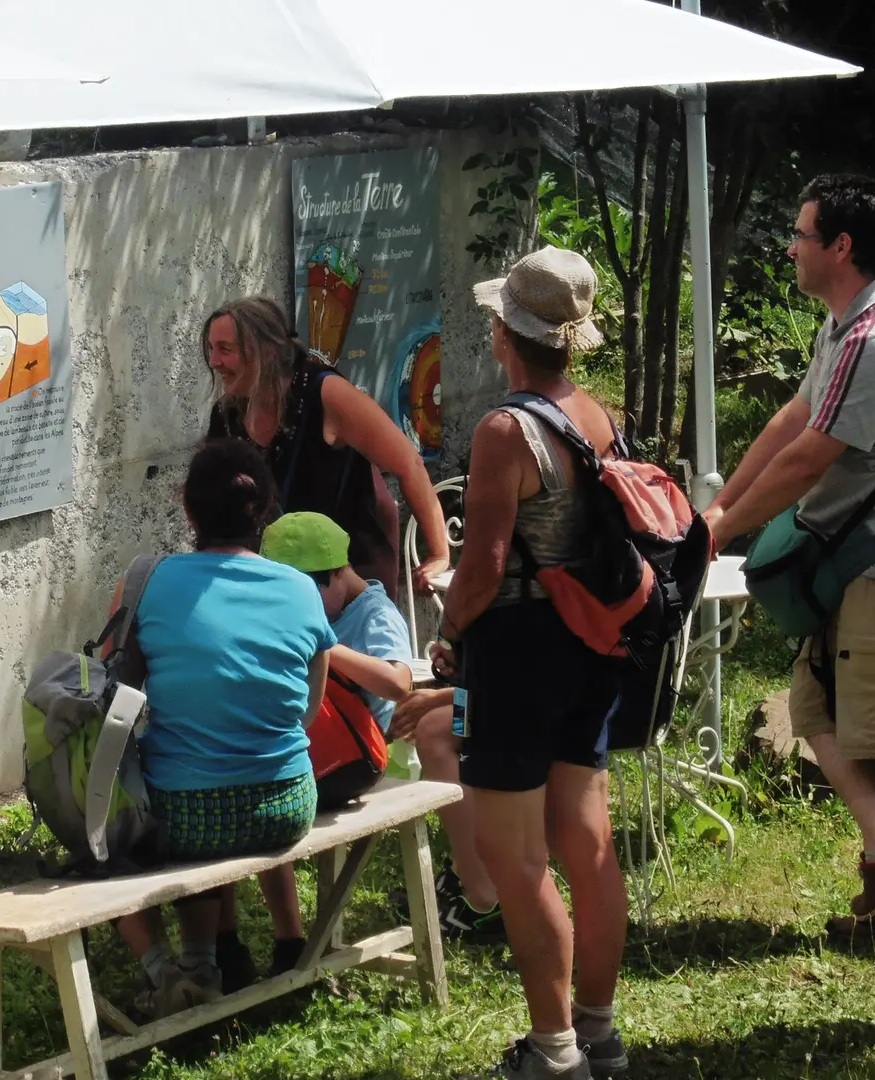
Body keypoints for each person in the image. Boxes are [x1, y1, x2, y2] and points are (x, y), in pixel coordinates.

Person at [703, 174, 875, 940]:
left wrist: (723, 525)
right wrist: (717, 513)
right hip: (839, 563)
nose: (791, 247)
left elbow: (810, 459)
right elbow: (791, 420)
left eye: (802, 234)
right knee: (814, 710)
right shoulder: (843, 326)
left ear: (840, 246)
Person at [432, 247, 629, 1080]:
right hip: (592, 646)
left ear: (505, 332)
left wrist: (446, 626)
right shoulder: (599, 414)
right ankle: (599, 1031)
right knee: (588, 843)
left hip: (516, 655)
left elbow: (482, 567)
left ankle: (553, 1052)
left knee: (516, 858)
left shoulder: (505, 430)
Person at [111, 439, 333, 1018]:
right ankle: (213, 957)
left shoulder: (147, 581)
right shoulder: (302, 589)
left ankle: (175, 969)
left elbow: (117, 701)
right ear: (264, 512)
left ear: (188, 508)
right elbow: (308, 712)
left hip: (186, 813)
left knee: (124, 821)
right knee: (211, 795)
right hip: (286, 804)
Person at [259, 512, 501, 942]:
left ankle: (479, 891)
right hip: (433, 720)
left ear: (334, 576)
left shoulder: (371, 612)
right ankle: (470, 873)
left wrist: (322, 644)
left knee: (444, 734)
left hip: (385, 752)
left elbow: (397, 683)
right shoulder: (329, 610)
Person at [204, 296, 451, 598]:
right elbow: (212, 498)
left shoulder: (325, 392)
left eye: (225, 350)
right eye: (211, 349)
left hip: (352, 564)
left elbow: (408, 463)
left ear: (266, 352)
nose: (215, 362)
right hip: (285, 564)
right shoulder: (227, 414)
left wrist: (439, 554)